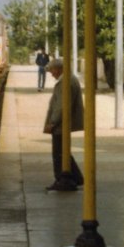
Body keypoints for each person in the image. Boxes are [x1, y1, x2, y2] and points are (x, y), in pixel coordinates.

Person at [43, 57, 84, 191]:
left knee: (58, 153)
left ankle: (62, 180)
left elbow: (62, 106)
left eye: (52, 70)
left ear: (59, 69)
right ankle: (76, 178)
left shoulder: (65, 82)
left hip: (61, 123)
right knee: (63, 151)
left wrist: (52, 122)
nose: (51, 73)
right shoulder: (68, 79)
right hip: (63, 122)